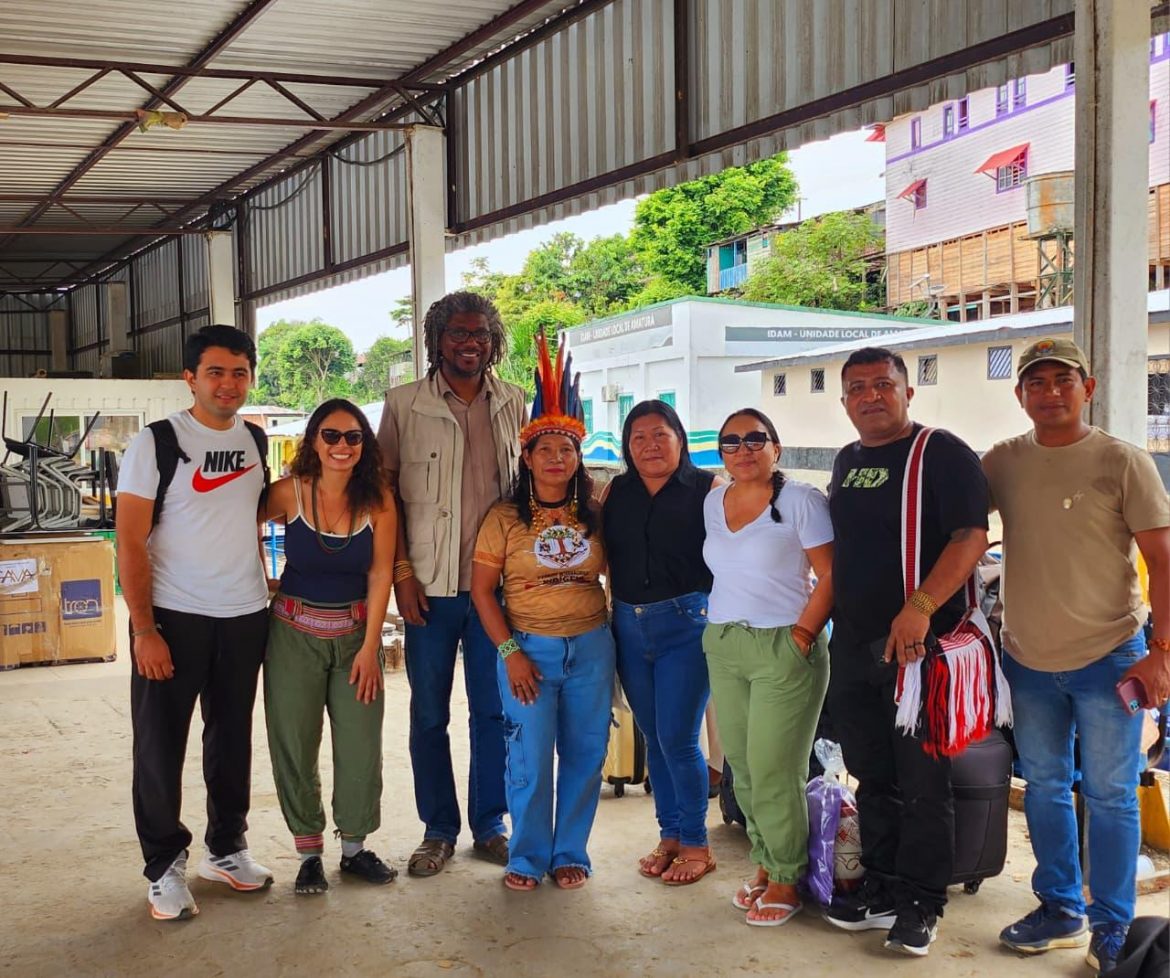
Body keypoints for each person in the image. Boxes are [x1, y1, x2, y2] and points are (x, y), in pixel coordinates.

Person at [984, 338, 1170, 976]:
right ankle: (1059, 908)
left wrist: (1161, 653)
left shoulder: (1123, 461)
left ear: (1086, 389)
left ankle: (1112, 925)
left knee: (1113, 794)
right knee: (1042, 785)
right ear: (1021, 395)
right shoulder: (1002, 463)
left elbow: (1162, 559)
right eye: (1036, 382)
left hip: (1112, 656)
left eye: (1063, 380)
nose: (1050, 391)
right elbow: (956, 528)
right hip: (1027, 660)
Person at [824, 347, 989, 956]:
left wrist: (919, 606)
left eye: (882, 384)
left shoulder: (943, 453)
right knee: (872, 776)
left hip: (920, 651)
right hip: (854, 647)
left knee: (924, 782)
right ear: (844, 401)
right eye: (857, 388)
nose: (870, 396)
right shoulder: (847, 461)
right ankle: (884, 886)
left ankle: (923, 900)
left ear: (907, 392)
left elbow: (972, 536)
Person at [116, 324, 274, 921]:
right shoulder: (156, 442)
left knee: (231, 740)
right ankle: (163, 866)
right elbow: (129, 543)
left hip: (244, 616)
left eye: (239, 372)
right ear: (190, 378)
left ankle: (226, 849)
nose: (228, 383)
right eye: (215, 372)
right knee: (160, 747)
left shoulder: (257, 441)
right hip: (174, 619)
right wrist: (143, 628)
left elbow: (248, 525)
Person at [376, 291, 525, 877]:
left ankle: (490, 823)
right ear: (437, 338)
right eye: (459, 334)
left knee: (494, 712)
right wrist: (401, 574)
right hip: (429, 592)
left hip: (498, 591)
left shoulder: (514, 402)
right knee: (428, 714)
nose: (471, 344)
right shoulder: (404, 404)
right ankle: (438, 829)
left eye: (482, 334)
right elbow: (384, 495)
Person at [470, 334, 613, 891]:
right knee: (527, 758)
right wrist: (510, 654)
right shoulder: (503, 518)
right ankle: (526, 857)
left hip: (593, 649)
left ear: (579, 457)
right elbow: (484, 592)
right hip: (528, 650)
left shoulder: (597, 511)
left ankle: (570, 851)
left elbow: (616, 577)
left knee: (585, 755)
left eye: (568, 450)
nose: (558, 459)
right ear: (526, 457)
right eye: (546, 450)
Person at [702, 408, 833, 925]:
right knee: (745, 768)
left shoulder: (801, 500)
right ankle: (767, 861)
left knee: (777, 770)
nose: (744, 449)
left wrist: (802, 635)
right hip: (726, 642)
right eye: (731, 442)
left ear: (776, 447)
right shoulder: (714, 502)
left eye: (756, 438)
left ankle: (787, 877)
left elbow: (830, 576)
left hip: (785, 643)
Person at [262, 399, 398, 895]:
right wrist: (261, 584)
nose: (342, 446)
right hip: (293, 637)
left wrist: (370, 648)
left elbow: (381, 571)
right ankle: (309, 853)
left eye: (353, 437)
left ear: (365, 445)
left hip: (354, 639)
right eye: (331, 435)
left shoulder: (379, 499)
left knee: (361, 744)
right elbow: (232, 527)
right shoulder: (288, 494)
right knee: (294, 743)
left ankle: (355, 849)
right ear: (314, 441)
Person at [602, 399, 722, 885]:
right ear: (627, 447)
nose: (649, 445)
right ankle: (669, 836)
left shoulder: (708, 489)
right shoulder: (616, 492)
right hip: (628, 624)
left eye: (660, 434)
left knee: (678, 736)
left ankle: (696, 843)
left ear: (680, 439)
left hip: (686, 625)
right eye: (638, 438)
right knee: (654, 737)